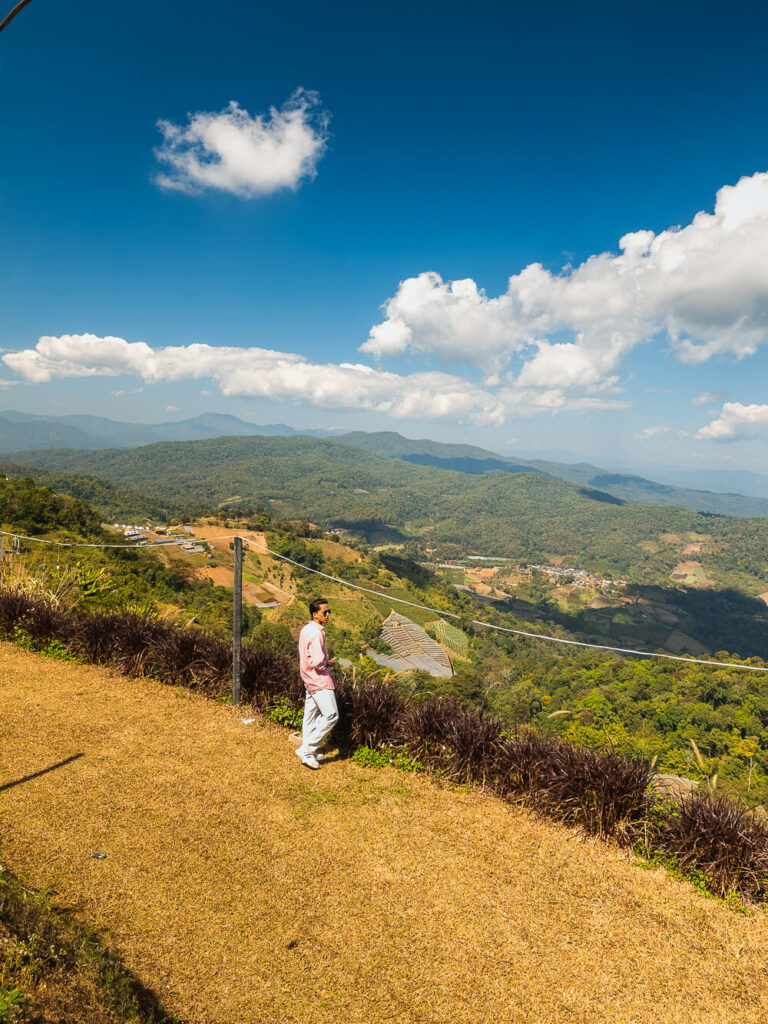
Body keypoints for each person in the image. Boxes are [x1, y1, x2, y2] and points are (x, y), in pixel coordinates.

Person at [295, 598, 339, 769]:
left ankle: (306, 747)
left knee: (310, 715)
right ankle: (307, 750)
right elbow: (318, 662)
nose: (328, 615)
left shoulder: (307, 629)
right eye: (324, 612)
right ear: (315, 614)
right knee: (331, 715)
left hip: (308, 677)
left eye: (329, 612)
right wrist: (330, 663)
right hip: (319, 679)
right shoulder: (316, 632)